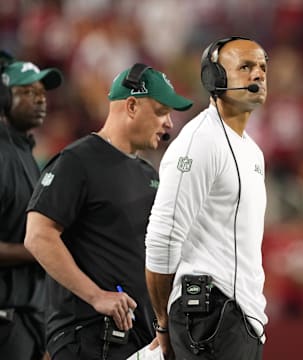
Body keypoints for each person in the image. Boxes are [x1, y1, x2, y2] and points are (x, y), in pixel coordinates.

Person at [24, 63, 193, 360]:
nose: (169, 123)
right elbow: (38, 236)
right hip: (90, 336)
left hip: (138, 338)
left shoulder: (147, 173)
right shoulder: (77, 161)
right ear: (131, 105)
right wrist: (96, 296)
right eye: (161, 111)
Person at [145, 37, 269, 360]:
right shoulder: (201, 141)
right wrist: (162, 323)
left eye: (262, 67)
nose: (258, 74)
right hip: (210, 317)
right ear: (214, 79)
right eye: (245, 66)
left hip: (240, 318)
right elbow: (162, 237)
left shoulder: (252, 151)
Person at [0, 51, 63, 360]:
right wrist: (39, 248)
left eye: (41, 93)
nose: (40, 99)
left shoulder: (25, 153)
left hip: (26, 317)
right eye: (26, 92)